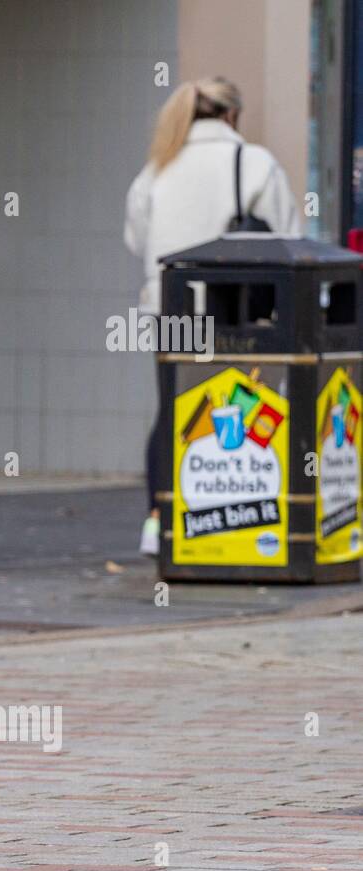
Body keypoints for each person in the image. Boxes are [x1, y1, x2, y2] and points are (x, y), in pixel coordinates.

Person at [124, 77, 301, 555]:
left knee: (175, 414)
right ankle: (234, 516)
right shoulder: (255, 164)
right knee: (240, 407)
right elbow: (287, 235)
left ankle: (160, 519)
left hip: (171, 314)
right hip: (234, 315)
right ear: (232, 116)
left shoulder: (158, 169)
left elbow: (136, 240)